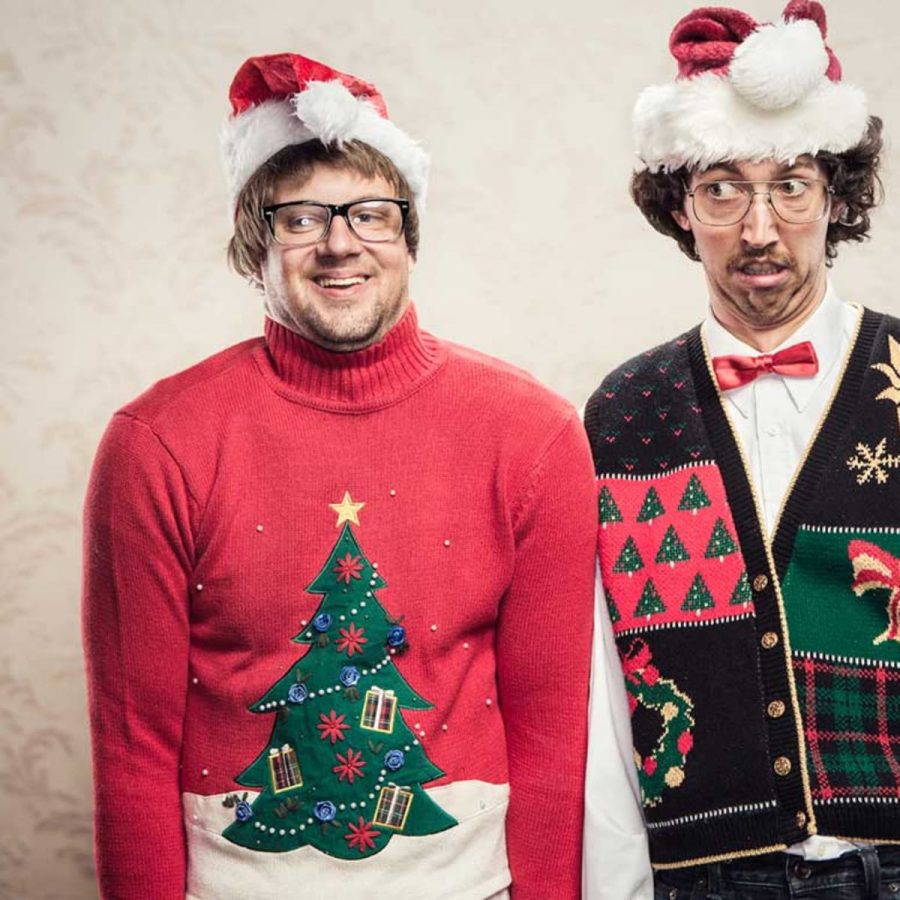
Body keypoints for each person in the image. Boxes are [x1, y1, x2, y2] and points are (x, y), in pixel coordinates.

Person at [82, 53, 596, 900]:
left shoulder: (532, 433)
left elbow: (552, 736)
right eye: (301, 218)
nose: (339, 243)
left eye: (370, 213)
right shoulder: (156, 444)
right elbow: (132, 744)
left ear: (408, 234)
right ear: (256, 244)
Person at [582, 2, 896, 898]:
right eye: (722, 188)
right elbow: (605, 689)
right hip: (701, 876)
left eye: (792, 185)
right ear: (680, 206)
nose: (760, 229)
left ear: (835, 197)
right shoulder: (624, 411)